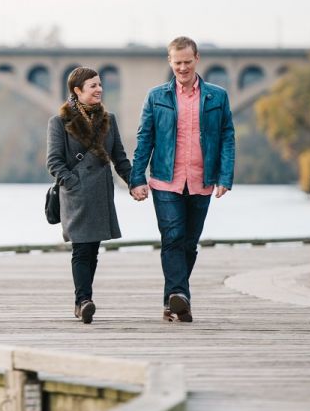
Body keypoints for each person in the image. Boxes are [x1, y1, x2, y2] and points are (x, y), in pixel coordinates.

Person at [130, 36, 235, 323]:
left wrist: (225, 176)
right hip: (166, 180)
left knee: (189, 243)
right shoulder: (156, 97)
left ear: (197, 59)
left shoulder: (217, 96)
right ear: (170, 62)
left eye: (188, 62)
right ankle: (180, 294)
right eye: (177, 63)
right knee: (173, 238)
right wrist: (136, 178)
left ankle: (173, 302)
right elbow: (144, 138)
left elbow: (227, 137)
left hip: (202, 180)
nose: (183, 68)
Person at [47, 67, 132, 324]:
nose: (99, 89)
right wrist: (73, 182)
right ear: (77, 90)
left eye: (100, 84)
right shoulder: (59, 122)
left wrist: (134, 183)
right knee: (81, 249)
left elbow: (120, 158)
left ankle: (83, 300)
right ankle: (83, 301)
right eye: (93, 85)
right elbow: (54, 162)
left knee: (92, 249)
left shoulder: (109, 119)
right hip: (75, 196)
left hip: (101, 194)